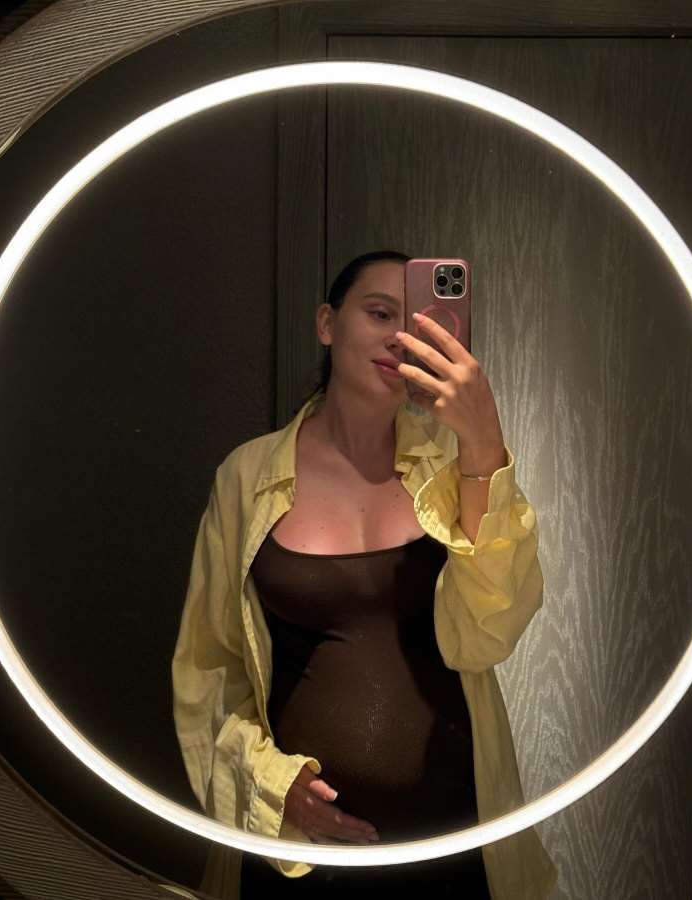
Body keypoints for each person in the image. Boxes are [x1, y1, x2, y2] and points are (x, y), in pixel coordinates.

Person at [171, 250, 558, 900]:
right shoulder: (248, 476)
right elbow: (207, 669)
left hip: (452, 837)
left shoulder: (452, 465)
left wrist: (482, 443)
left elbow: (489, 634)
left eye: (419, 323)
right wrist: (272, 787)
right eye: (380, 314)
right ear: (327, 323)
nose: (399, 338)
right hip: (298, 851)